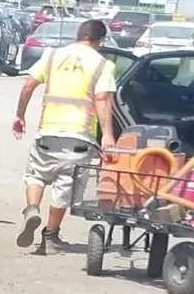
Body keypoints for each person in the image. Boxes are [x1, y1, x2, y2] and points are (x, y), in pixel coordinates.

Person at [13, 18, 118, 255]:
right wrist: (107, 136)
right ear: (100, 40)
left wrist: (20, 116)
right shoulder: (103, 65)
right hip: (79, 137)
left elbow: (28, 86)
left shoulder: (52, 55)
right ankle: (50, 236)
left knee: (36, 175)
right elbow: (102, 99)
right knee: (64, 186)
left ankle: (32, 209)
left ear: (78, 35)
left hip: (48, 132)